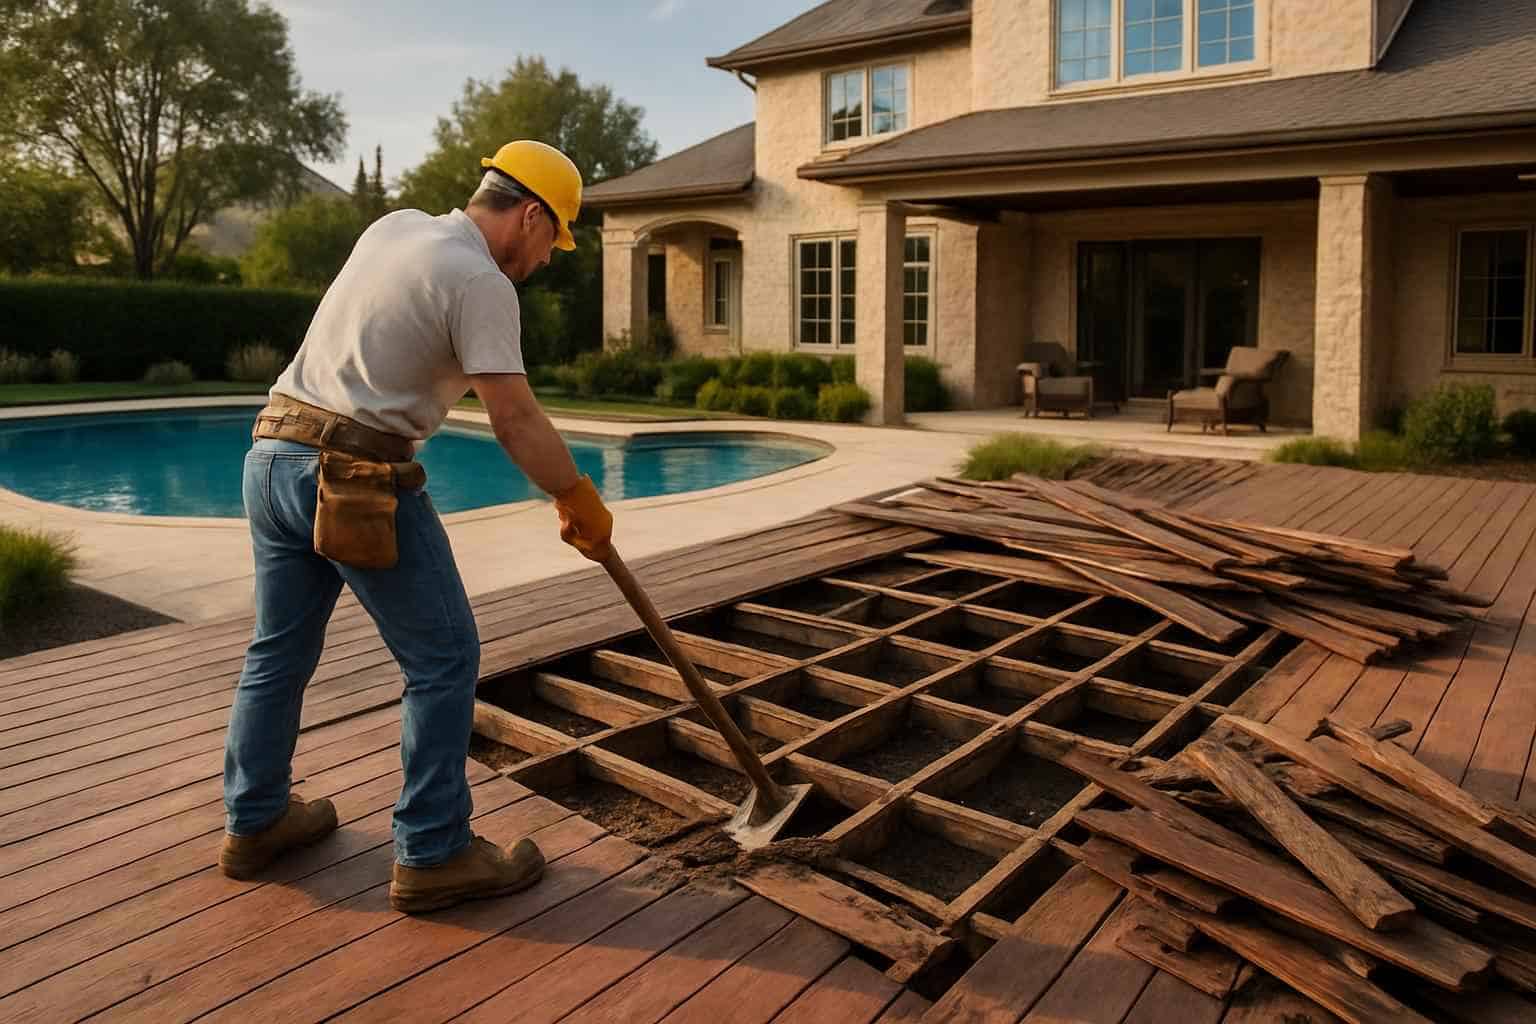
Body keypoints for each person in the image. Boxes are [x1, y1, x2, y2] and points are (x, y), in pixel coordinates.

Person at [218, 140, 613, 914]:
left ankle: (255, 821)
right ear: (531, 215)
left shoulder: (395, 226)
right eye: (553, 240)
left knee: (278, 650)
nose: (546, 259)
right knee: (445, 657)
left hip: (270, 456)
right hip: (355, 475)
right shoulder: (481, 279)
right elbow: (513, 417)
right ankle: (434, 852)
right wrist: (576, 495)